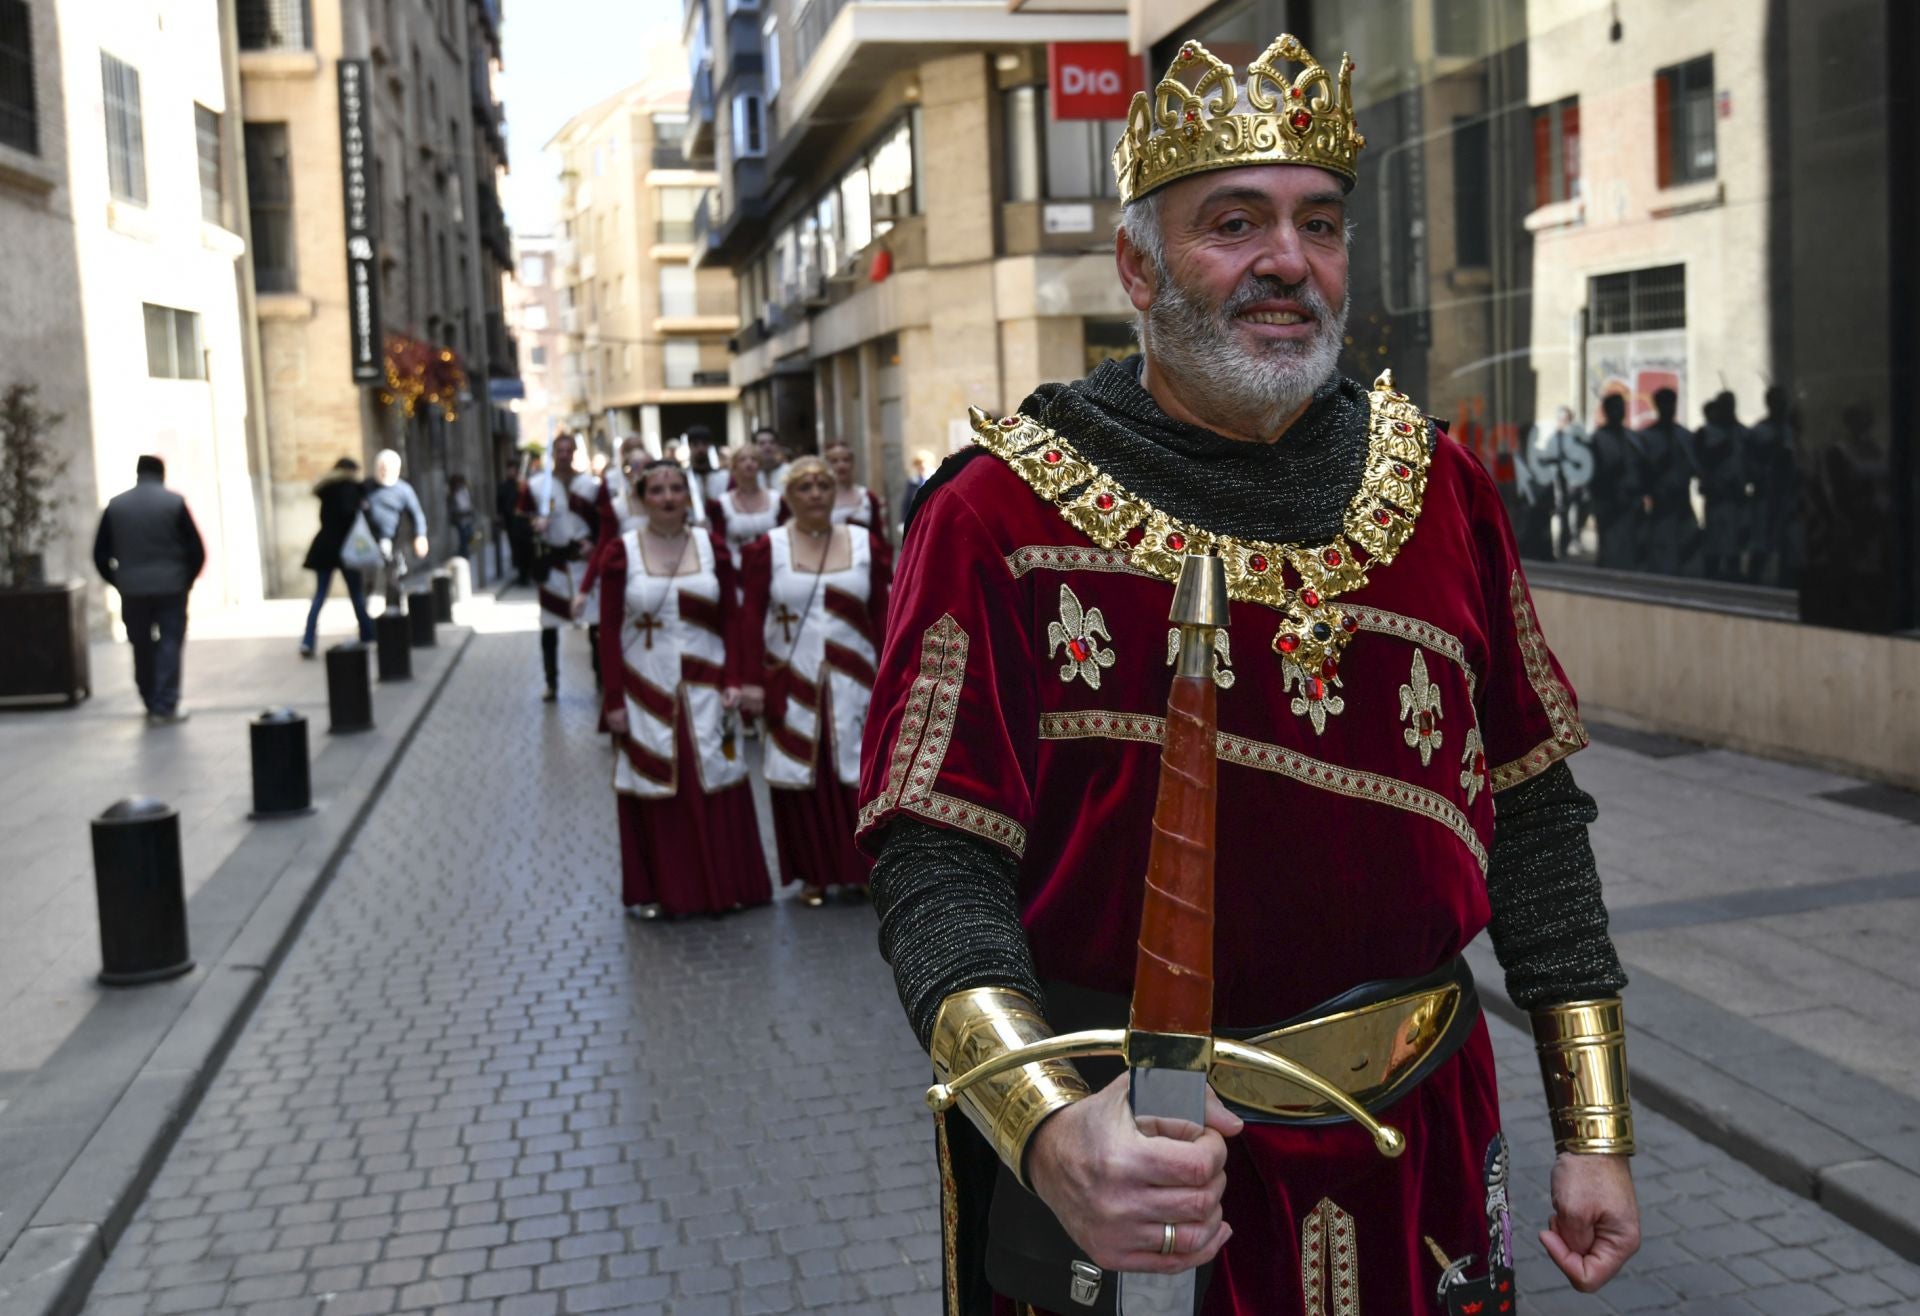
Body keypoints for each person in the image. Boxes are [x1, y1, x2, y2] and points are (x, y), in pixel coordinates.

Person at [856, 33, 1639, 1316]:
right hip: (1143, 1162)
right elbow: (935, 861)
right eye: (1235, 222)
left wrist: (1595, 1123)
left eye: (1319, 224)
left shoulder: (1445, 492)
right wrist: (1050, 1132)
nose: (1289, 262)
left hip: (1421, 1143)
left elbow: (1536, 820)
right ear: (1136, 267)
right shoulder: (995, 517)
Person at [597, 458, 772, 918]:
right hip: (644, 686)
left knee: (717, 776)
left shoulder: (711, 545)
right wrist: (613, 700)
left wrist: (736, 678)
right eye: (657, 490)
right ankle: (665, 892)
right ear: (641, 498)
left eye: (676, 488)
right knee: (655, 784)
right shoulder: (622, 553)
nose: (669, 498)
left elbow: (733, 618)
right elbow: (610, 631)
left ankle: (726, 887)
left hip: (708, 684)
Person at [734, 456, 892, 907]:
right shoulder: (768, 549)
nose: (817, 494)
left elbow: (884, 612)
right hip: (793, 679)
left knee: (858, 774)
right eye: (805, 488)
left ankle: (864, 869)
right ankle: (813, 874)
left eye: (823, 485)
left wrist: (892, 672)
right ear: (788, 498)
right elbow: (750, 618)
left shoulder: (865, 544)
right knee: (799, 775)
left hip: (856, 680)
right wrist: (751, 683)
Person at [92, 456, 205, 725]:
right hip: (171, 586)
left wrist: (118, 580)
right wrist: (186, 579)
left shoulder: (116, 506)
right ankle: (165, 704)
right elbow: (196, 550)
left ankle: (149, 697)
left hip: (132, 589)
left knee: (140, 644)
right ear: (162, 474)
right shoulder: (174, 503)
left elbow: (100, 554)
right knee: (169, 642)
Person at [519, 432, 601, 701]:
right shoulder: (536, 485)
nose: (564, 455)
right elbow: (521, 522)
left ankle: (600, 678)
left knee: (595, 626)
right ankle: (551, 683)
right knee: (549, 626)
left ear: (575, 452)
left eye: (568, 450)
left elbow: (604, 524)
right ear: (553, 453)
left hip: (583, 562)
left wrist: (594, 544)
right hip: (553, 564)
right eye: (559, 450)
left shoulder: (590, 486)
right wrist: (535, 524)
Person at [300, 457, 376, 656]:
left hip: (324, 546)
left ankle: (308, 641)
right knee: (356, 594)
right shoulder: (351, 489)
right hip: (345, 549)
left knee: (319, 596)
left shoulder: (327, 489)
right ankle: (368, 634)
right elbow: (348, 515)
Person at [1637, 387, 1699, 576]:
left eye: (1671, 404)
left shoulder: (1685, 436)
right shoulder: (1647, 437)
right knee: (1662, 557)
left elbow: (1695, 467)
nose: (1669, 409)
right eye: (1664, 404)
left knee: (1688, 554)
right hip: (1660, 504)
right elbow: (1642, 471)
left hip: (1682, 502)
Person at [363, 448, 429, 607]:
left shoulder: (404, 490)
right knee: (369, 580)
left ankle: (395, 610)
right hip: (368, 541)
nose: (384, 471)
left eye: (388, 468)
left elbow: (417, 515)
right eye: (381, 468)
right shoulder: (366, 487)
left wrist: (420, 536)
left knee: (394, 576)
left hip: (394, 541)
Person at [1694, 392, 1749, 581]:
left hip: (1737, 498)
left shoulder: (1742, 432)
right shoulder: (1706, 433)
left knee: (1734, 548)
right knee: (1714, 546)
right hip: (1716, 498)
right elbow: (1700, 462)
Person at [1587, 393, 1645, 571]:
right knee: (1610, 553)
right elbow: (1594, 475)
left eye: (1621, 407)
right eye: (1615, 407)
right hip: (1609, 505)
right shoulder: (1598, 438)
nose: (1619, 411)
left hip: (1630, 504)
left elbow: (1642, 468)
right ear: (1606, 411)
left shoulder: (1633, 437)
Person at [708, 445, 781, 573]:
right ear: (734, 467)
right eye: (743, 459)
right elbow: (719, 542)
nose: (749, 463)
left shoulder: (775, 499)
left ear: (759, 465)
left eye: (753, 459)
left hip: (772, 567)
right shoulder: (723, 502)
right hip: (736, 570)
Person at [821, 440, 888, 532]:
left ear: (852, 463)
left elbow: (878, 533)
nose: (841, 465)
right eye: (834, 461)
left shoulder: (867, 497)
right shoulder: (820, 499)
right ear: (827, 465)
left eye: (846, 460)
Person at [495, 457, 528, 584]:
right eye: (510, 470)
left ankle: (525, 573)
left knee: (524, 548)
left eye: (513, 470)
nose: (511, 472)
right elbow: (500, 503)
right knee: (515, 548)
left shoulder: (522, 485)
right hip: (510, 523)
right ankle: (520, 573)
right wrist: (500, 516)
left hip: (523, 523)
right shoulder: (503, 486)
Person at [447, 473, 476, 568]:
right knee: (463, 538)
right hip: (460, 520)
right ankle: (462, 555)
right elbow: (453, 509)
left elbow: (468, 502)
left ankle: (463, 554)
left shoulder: (464, 491)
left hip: (467, 518)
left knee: (468, 537)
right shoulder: (452, 494)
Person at [754, 427, 791, 493]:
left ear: (778, 446)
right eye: (762, 443)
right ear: (754, 447)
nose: (767, 446)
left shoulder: (789, 471)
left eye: (772, 442)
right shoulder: (751, 474)